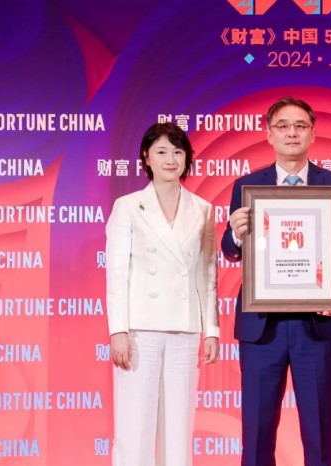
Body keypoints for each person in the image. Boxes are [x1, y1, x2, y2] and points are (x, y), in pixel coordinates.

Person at [221, 97, 331, 466]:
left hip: (316, 324)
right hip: (261, 326)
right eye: (282, 126)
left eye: (300, 126)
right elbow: (230, 250)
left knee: (319, 431)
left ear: (313, 134)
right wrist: (235, 234)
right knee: (256, 433)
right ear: (269, 135)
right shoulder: (247, 185)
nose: (292, 133)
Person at [105, 122, 219, 466]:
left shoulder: (202, 209)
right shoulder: (128, 206)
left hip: (185, 330)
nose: (171, 159)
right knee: (135, 422)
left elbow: (206, 274)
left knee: (179, 425)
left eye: (178, 152)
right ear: (146, 157)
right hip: (140, 330)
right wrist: (118, 330)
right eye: (162, 151)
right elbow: (117, 274)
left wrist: (211, 330)